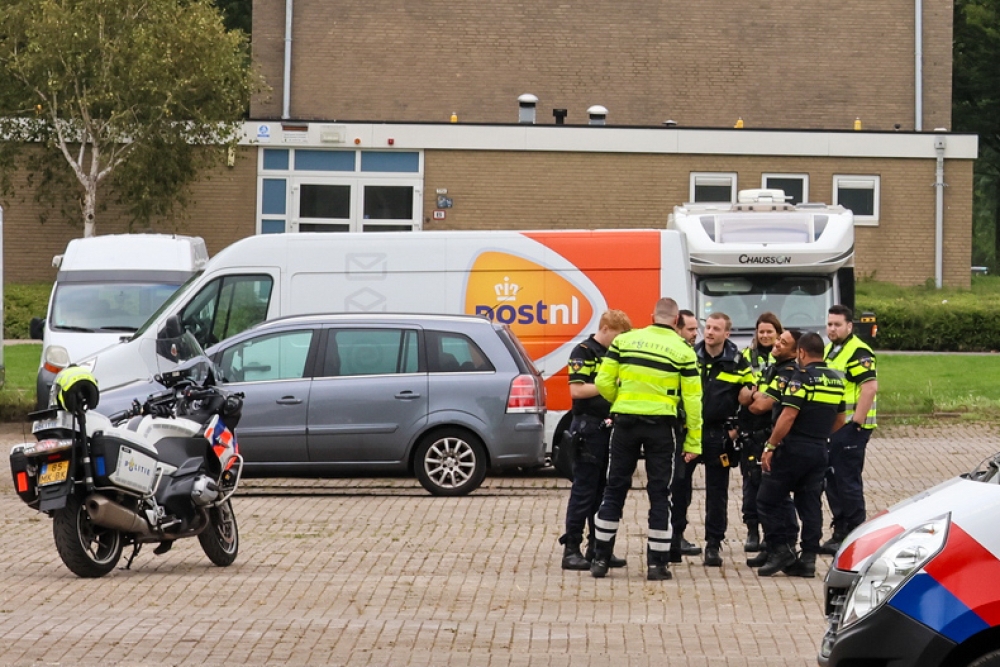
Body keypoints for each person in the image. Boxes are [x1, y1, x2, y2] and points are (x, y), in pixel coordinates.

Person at [590, 297, 702, 581]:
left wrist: (622, 401)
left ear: (652, 315)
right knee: (659, 492)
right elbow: (693, 401)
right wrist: (693, 442)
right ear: (676, 321)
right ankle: (656, 564)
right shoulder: (684, 351)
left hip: (625, 423)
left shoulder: (625, 341)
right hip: (661, 428)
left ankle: (600, 559)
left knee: (614, 488)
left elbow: (603, 382)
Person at [755, 332, 846, 577]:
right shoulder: (837, 380)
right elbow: (840, 419)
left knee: (767, 499)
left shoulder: (801, 379)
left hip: (793, 447)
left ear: (801, 353)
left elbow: (788, 415)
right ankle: (808, 559)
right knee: (810, 504)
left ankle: (779, 549)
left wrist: (771, 445)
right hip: (819, 449)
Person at [558, 309, 633, 571]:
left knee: (604, 491)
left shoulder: (614, 354)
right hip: (588, 427)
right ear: (606, 329)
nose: (620, 341)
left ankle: (598, 547)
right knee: (584, 490)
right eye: (619, 336)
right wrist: (611, 384)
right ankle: (571, 549)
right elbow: (577, 390)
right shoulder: (583, 352)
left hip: (609, 427)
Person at [683, 312, 752, 567]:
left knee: (717, 492)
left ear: (727, 334)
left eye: (715, 329)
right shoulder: (690, 355)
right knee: (679, 485)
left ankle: (713, 544)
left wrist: (734, 430)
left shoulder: (737, 361)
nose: (709, 332)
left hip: (718, 434)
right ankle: (676, 537)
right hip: (690, 431)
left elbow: (750, 395)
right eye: (707, 327)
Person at [821, 304, 878, 554]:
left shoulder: (859, 352)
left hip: (851, 428)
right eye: (830, 324)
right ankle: (840, 531)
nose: (832, 328)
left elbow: (869, 388)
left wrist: (856, 423)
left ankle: (856, 536)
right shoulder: (831, 351)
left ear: (849, 326)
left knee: (847, 482)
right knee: (832, 480)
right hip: (833, 427)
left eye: (837, 324)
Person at [743, 328, 802, 568]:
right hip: (760, 438)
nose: (777, 344)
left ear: (796, 351)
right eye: (779, 340)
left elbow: (760, 405)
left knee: (775, 498)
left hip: (775, 440)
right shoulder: (773, 368)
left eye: (783, 342)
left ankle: (785, 548)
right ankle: (770, 546)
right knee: (761, 496)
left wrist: (753, 396)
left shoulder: (788, 372)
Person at [736, 312, 782, 552]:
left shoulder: (783, 358)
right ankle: (752, 530)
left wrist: (755, 396)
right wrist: (754, 396)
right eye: (761, 331)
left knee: (772, 483)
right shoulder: (745, 356)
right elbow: (740, 392)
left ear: (778, 334)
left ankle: (770, 532)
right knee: (750, 482)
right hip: (749, 428)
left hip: (772, 427)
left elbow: (770, 400)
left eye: (769, 332)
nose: (765, 336)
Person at [668, 308, 703, 559]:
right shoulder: (681, 355)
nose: (696, 334)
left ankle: (676, 537)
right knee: (677, 487)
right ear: (677, 327)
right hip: (677, 431)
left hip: (681, 430)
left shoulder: (691, 353)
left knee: (683, 487)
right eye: (691, 329)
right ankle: (673, 539)